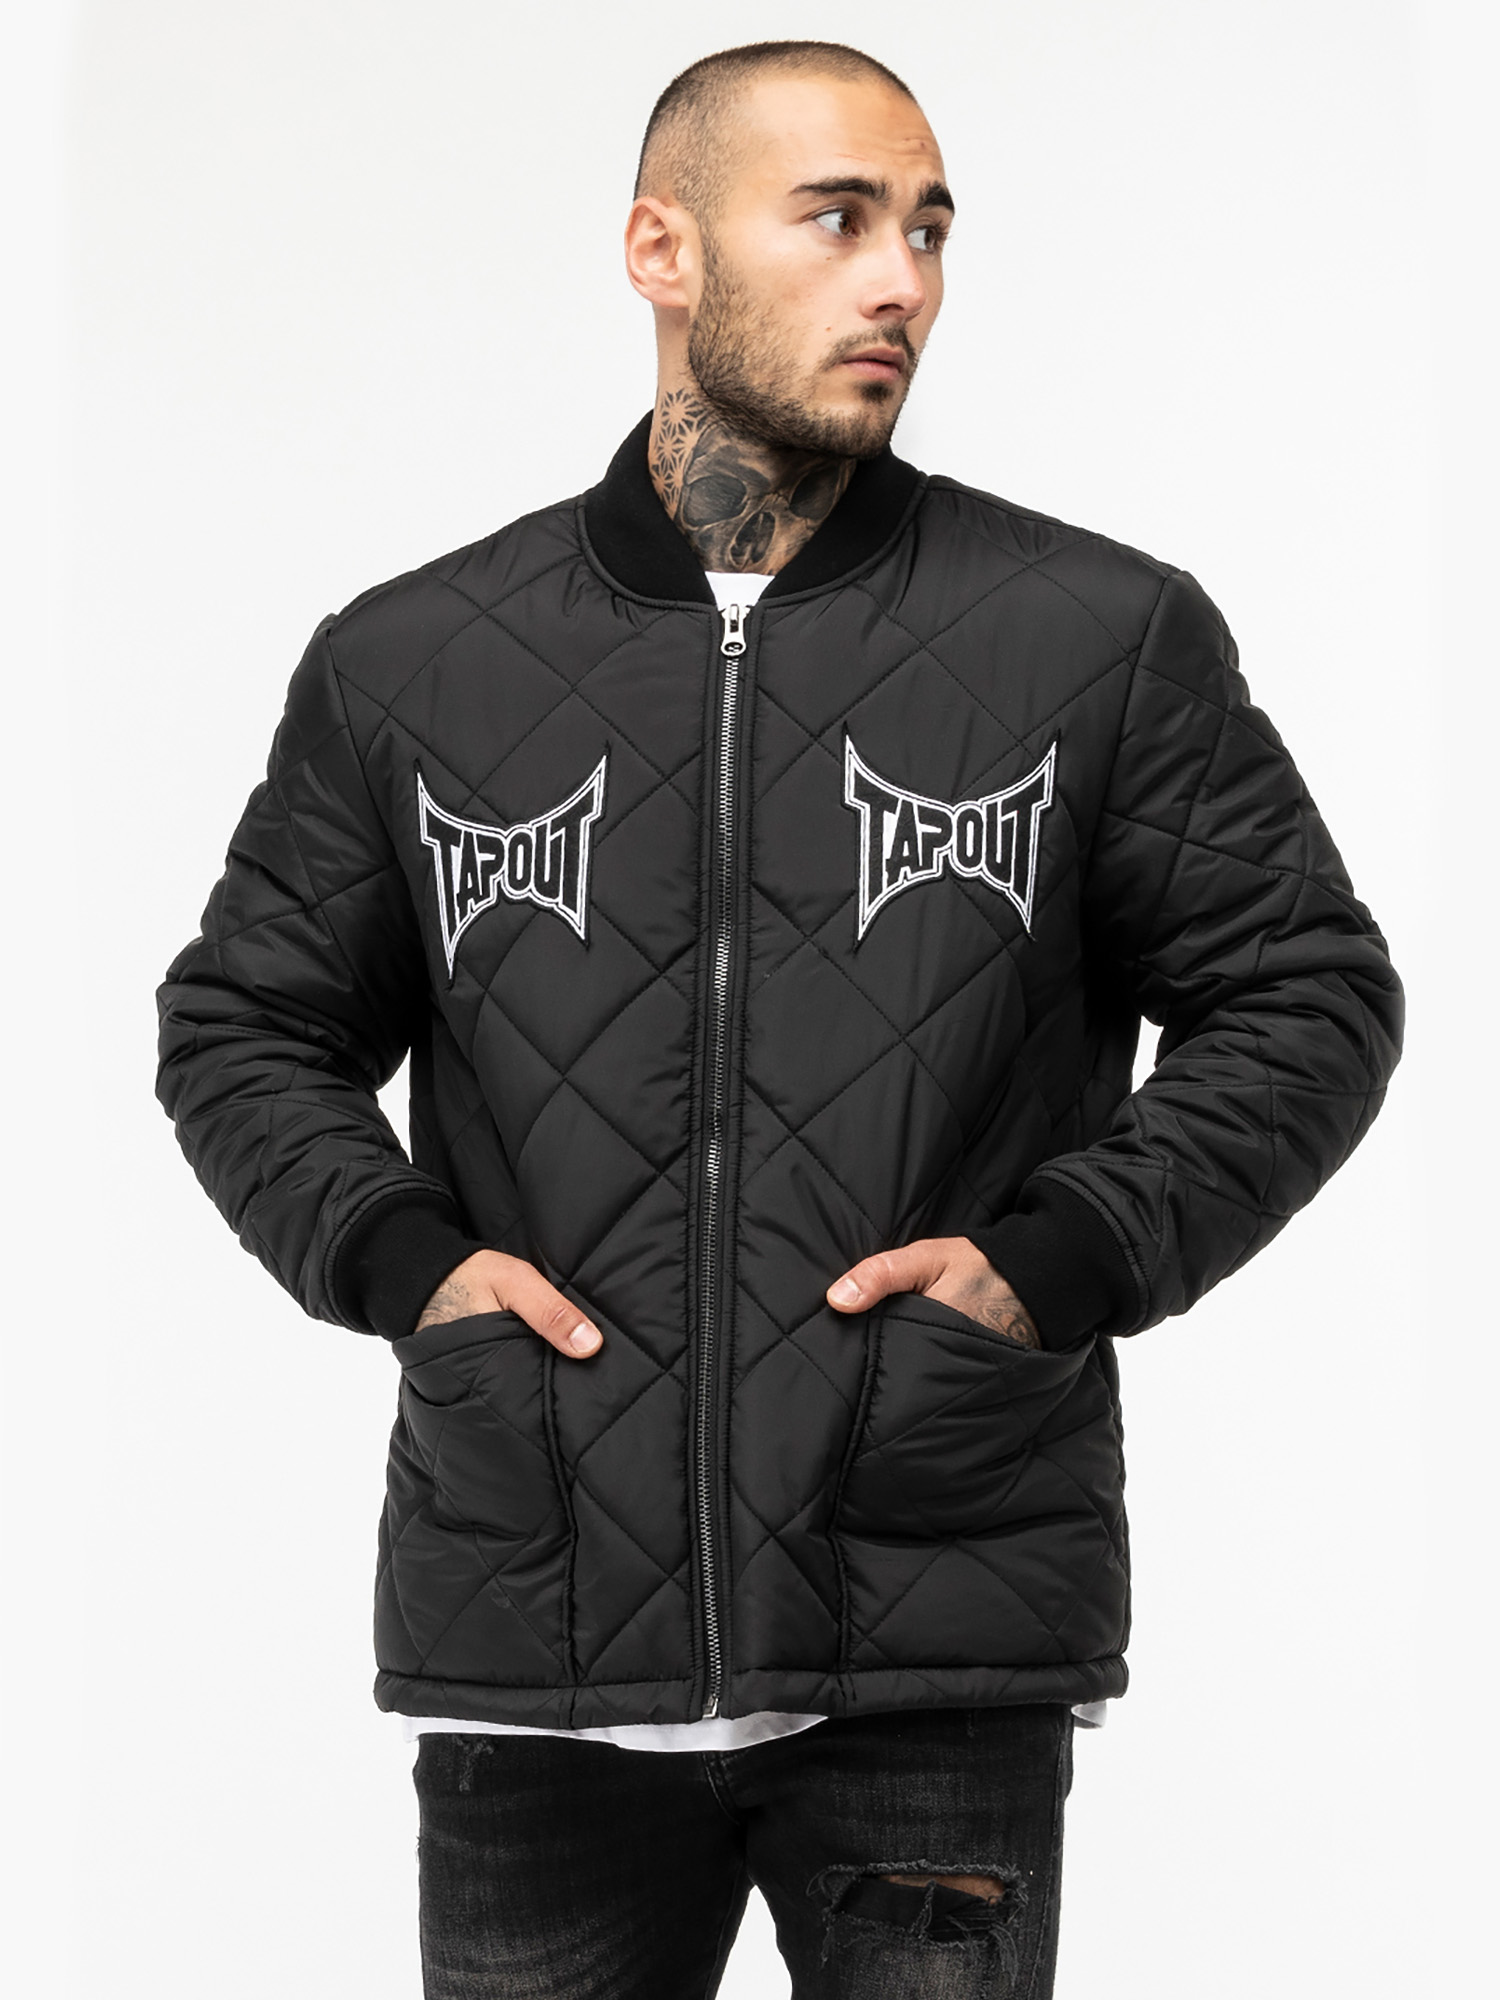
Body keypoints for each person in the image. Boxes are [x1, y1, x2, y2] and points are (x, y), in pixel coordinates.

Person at [156, 38, 1403, 2000]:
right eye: (836, 219)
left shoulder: (1093, 635)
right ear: (662, 249)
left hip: (931, 1628)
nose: (901, 279)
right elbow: (247, 1024)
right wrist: (404, 1266)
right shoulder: (413, 662)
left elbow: (1305, 993)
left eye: (929, 229)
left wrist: (1059, 1259)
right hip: (537, 1634)